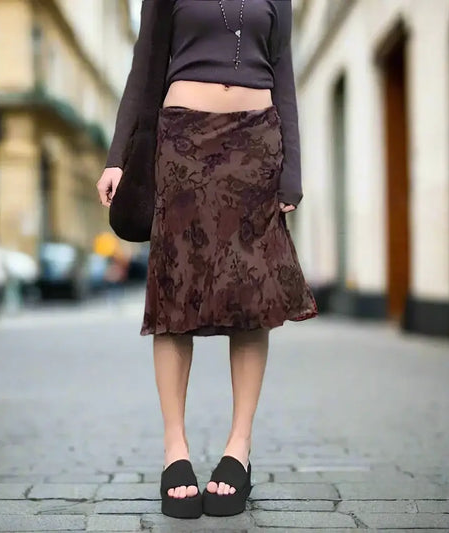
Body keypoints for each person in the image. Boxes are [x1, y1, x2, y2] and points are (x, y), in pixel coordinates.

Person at [96, 0, 318, 519]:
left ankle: (238, 449)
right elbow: (144, 66)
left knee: (252, 296)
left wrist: (292, 171)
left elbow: (282, 76)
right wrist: (116, 156)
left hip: (257, 145)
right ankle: (176, 449)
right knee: (176, 292)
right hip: (181, 145)